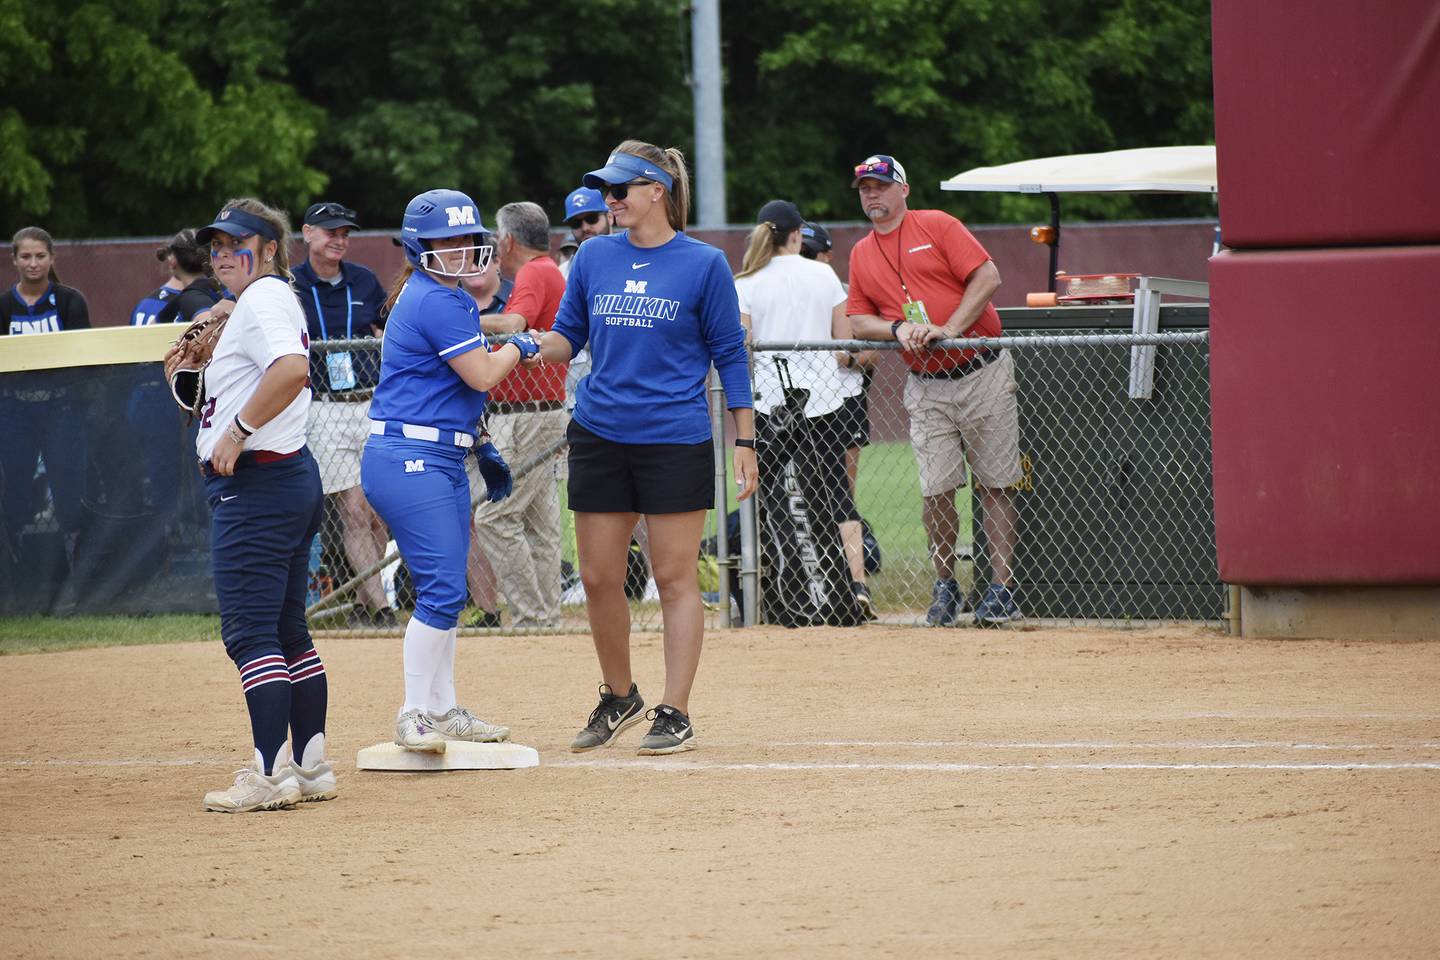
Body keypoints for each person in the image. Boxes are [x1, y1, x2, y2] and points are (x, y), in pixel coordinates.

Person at [529, 140, 757, 755]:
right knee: (602, 578)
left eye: (621, 188)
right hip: (600, 431)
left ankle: (675, 710)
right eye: (607, 190)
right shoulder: (595, 256)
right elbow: (567, 336)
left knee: (674, 575)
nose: (611, 199)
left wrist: (744, 438)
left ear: (657, 191)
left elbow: (730, 354)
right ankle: (619, 695)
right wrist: (520, 347)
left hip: (672, 437)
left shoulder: (703, 263)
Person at [360, 188, 540, 753]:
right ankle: (414, 711)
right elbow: (484, 375)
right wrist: (522, 344)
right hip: (411, 457)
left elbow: (450, 389)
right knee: (442, 589)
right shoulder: (438, 300)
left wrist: (478, 437)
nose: (462, 249)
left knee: (446, 589)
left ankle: (441, 707)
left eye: (468, 238)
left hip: (431, 454)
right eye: (448, 240)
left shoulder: (447, 296)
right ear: (420, 246)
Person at [185, 198, 333, 813]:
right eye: (215, 245)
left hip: (258, 484)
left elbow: (294, 370)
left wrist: (238, 429)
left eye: (235, 242)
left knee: (251, 634)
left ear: (268, 248)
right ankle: (310, 766)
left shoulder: (266, 296)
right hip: (287, 477)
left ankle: (271, 774)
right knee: (285, 629)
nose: (221, 254)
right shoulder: (260, 300)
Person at [844, 154, 1023, 626]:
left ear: (904, 189)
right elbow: (858, 319)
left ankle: (1003, 588)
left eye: (880, 185)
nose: (872, 194)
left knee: (996, 483)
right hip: (925, 383)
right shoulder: (862, 252)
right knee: (935, 488)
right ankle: (946, 585)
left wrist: (951, 327)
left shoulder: (938, 224)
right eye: (864, 188)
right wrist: (898, 328)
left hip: (980, 368)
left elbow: (987, 276)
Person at [735, 200, 875, 619]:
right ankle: (854, 586)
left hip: (771, 402)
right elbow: (845, 348)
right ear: (797, 234)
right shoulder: (823, 274)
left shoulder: (747, 281)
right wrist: (859, 360)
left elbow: (741, 346)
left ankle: (775, 593)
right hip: (825, 400)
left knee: (770, 494)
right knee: (834, 495)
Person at [292, 201, 397, 628]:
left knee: (376, 512)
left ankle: (363, 596)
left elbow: (386, 326)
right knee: (353, 508)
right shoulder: (290, 285)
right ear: (307, 233)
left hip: (369, 402)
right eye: (330, 231)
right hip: (324, 408)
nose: (339, 239)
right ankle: (383, 609)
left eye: (345, 233)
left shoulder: (364, 281)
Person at [472, 201, 568, 629]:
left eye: (498, 237)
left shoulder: (533, 272)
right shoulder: (548, 269)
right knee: (539, 521)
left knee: (492, 515)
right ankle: (546, 616)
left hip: (526, 414)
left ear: (509, 240)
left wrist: (467, 315)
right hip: (541, 411)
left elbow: (515, 321)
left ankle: (533, 616)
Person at [0, 227, 91, 563]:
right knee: (16, 489)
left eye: (40, 256)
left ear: (52, 258)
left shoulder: (70, 301)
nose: (33, 263)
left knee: (69, 488)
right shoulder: (5, 305)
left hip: (61, 409)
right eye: (26, 256)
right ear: (14, 260)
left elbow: (84, 360)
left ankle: (75, 564)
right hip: (15, 412)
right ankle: (19, 568)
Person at [801, 219, 878, 585]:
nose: (803, 259)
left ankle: (850, 574)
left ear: (827, 255)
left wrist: (839, 355)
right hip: (797, 401)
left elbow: (871, 355)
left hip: (844, 402)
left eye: (810, 253)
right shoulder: (786, 289)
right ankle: (812, 566)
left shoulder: (844, 292)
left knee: (841, 490)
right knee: (800, 490)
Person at [126, 229, 225, 514]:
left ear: (173, 261)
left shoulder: (148, 305)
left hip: (153, 398)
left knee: (165, 470)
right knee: (196, 467)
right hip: (190, 398)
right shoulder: (222, 300)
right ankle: (189, 531)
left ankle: (168, 535)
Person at [557, 186, 612, 280]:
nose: (585, 228)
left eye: (592, 218)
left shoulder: (632, 260)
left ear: (610, 217)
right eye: (576, 223)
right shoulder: (562, 273)